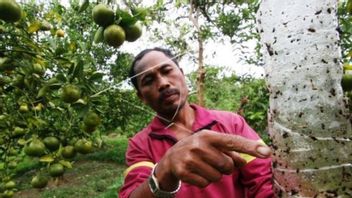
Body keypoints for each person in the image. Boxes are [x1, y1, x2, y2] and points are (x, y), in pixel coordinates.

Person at [118, 47, 273, 198]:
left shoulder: (232, 123)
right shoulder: (140, 145)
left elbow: (263, 180)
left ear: (182, 74)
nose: (163, 83)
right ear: (141, 97)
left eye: (167, 71)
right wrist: (165, 169)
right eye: (149, 80)